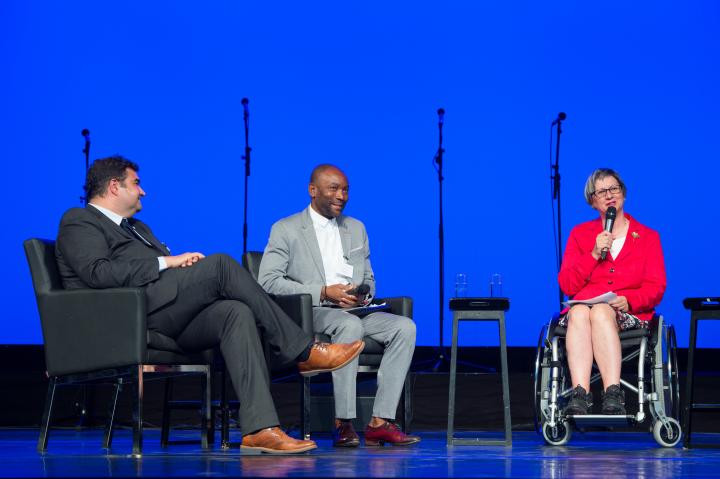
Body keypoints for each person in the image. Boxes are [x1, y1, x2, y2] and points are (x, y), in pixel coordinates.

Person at [55, 156, 365, 454]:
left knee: (236, 312)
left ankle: (261, 429)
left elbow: (156, 270)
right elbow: (97, 273)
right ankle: (303, 350)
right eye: (136, 183)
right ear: (113, 186)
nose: (143, 190)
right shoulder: (79, 221)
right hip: (129, 318)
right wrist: (167, 261)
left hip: (163, 313)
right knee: (221, 265)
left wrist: (179, 266)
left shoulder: (137, 227)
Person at [258, 164, 420, 447]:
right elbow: (268, 281)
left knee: (405, 328)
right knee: (348, 325)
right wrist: (323, 292)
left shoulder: (356, 228)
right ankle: (343, 422)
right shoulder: (286, 228)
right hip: (312, 311)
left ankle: (380, 422)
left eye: (345, 190)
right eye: (334, 188)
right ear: (313, 190)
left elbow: (368, 276)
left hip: (354, 309)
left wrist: (362, 293)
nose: (341, 196)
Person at [558, 168, 666, 415]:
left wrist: (630, 300)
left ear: (623, 194)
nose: (609, 195)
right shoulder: (580, 235)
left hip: (628, 313)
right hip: (584, 313)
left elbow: (656, 286)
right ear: (592, 201)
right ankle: (580, 394)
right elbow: (567, 285)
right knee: (581, 313)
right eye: (602, 191)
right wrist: (594, 254)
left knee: (600, 312)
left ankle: (612, 392)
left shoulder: (648, 237)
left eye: (614, 189)